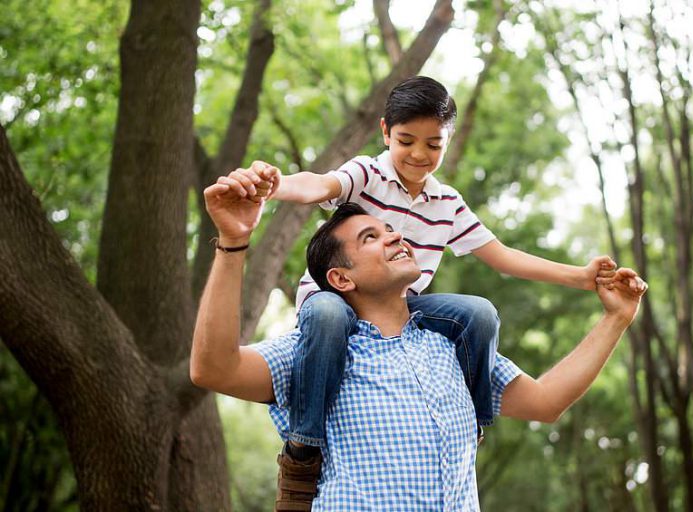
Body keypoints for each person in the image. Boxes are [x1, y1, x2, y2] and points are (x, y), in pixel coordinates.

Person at [229, 77, 620, 487]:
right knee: (327, 315)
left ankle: (473, 422)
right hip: (336, 297)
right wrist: (276, 186)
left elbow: (502, 257)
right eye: (406, 141)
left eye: (433, 144)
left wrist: (580, 277)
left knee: (478, 313)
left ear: (447, 141)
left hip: (399, 303)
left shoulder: (447, 203)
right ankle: (304, 445)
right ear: (385, 132)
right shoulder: (367, 174)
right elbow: (320, 185)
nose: (419, 154)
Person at [190, 176, 647, 510]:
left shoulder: (453, 346)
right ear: (340, 278)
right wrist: (233, 241)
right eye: (371, 237)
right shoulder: (315, 350)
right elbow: (213, 368)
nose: (393, 236)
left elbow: (546, 402)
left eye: (390, 230)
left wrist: (616, 318)